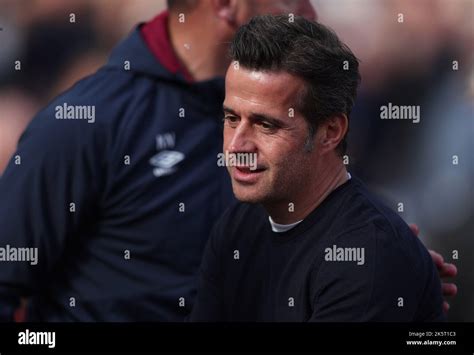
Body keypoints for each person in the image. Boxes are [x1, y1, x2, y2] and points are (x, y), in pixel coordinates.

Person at [0, 1, 455, 321]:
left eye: (264, 125)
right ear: (226, 6)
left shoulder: (301, 106)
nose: (311, 13)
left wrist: (377, 271)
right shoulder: (86, 122)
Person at [190, 15, 446, 321]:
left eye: (266, 125)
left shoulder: (368, 255)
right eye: (231, 119)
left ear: (330, 132)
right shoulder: (236, 227)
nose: (236, 146)